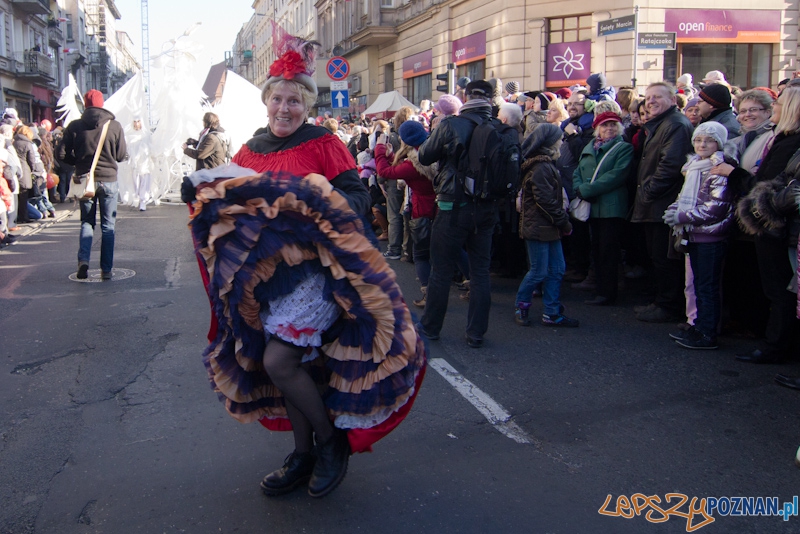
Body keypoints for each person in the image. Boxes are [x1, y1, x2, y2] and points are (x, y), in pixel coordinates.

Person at [183, 28, 424, 499]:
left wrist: (308, 198)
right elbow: (229, 203)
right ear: (266, 101)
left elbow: (357, 201)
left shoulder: (323, 144)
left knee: (281, 359)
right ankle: (303, 452)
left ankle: (331, 443)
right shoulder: (249, 149)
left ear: (307, 105)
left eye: (294, 101)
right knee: (294, 367)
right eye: (277, 99)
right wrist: (201, 191)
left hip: (317, 276)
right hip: (267, 281)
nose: (284, 109)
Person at [712, 86, 800, 363]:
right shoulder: (780, 137)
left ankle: (777, 346)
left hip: (775, 224)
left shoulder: (789, 142)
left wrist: (734, 173)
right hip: (766, 222)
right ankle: (772, 340)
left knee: (780, 289)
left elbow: (769, 188)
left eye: (780, 102)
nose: (776, 104)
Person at [415, 79, 499, 348]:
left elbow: (426, 156)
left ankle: (430, 329)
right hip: (486, 208)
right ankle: (476, 333)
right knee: (481, 271)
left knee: (441, 269)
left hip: (453, 205)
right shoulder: (501, 127)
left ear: (464, 96)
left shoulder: (452, 124)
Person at [664, 122, 734, 349]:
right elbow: (685, 196)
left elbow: (716, 208)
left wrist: (683, 216)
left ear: (719, 143)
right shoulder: (693, 166)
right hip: (694, 234)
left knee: (707, 287)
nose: (702, 144)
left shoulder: (719, 169)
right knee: (696, 284)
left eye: (709, 140)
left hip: (710, 237)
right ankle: (698, 326)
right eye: (698, 140)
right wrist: (674, 210)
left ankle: (707, 333)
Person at [630, 82, 694, 323]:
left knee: (665, 259)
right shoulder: (660, 125)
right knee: (656, 258)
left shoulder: (675, 125)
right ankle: (660, 301)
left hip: (662, 204)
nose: (651, 102)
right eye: (648, 98)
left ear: (673, 101)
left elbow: (670, 166)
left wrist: (647, 193)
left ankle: (668, 305)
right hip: (654, 203)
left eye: (657, 97)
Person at [57, 89, 127, 280]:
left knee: (87, 222)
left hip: (84, 180)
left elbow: (61, 154)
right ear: (102, 104)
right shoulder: (114, 126)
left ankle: (83, 261)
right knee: (108, 226)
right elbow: (121, 156)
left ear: (85, 105)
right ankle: (106, 269)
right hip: (109, 180)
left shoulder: (74, 126)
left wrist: (78, 163)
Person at [514, 123, 578, 327]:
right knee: (539, 271)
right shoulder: (541, 167)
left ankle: (551, 311)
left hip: (548, 226)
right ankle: (521, 306)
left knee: (557, 269)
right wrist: (564, 223)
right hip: (539, 227)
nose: (561, 141)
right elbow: (546, 202)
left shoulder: (545, 164)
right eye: (559, 138)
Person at [572, 111, 633, 306]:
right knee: (596, 248)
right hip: (593, 207)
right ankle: (599, 288)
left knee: (609, 251)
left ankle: (608, 292)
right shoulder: (590, 147)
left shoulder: (623, 148)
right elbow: (578, 171)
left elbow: (617, 175)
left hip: (611, 207)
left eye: (613, 125)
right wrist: (578, 188)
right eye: (605, 125)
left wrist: (586, 190)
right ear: (598, 128)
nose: (609, 128)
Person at [374, 120, 436, 307]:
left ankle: (428, 292)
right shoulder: (430, 152)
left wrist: (379, 149)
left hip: (422, 209)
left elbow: (385, 171)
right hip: (438, 206)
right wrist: (392, 154)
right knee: (449, 250)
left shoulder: (413, 165)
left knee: (421, 254)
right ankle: (470, 281)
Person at [11, 125, 37, 223]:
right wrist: (33, 169)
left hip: (14, 170)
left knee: (16, 197)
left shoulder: (13, 142)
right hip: (24, 170)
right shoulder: (27, 143)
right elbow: (31, 159)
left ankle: (17, 216)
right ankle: (24, 217)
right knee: (24, 196)